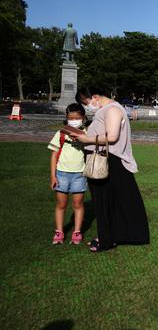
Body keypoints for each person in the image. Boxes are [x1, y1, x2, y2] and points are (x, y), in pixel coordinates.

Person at [69, 86, 150, 252]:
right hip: (107, 159)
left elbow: (112, 137)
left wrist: (86, 138)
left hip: (109, 160)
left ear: (96, 97)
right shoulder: (109, 109)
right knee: (112, 201)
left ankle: (107, 239)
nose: (88, 106)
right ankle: (112, 236)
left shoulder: (112, 109)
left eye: (87, 102)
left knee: (104, 201)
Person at [48, 103, 88, 245]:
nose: (74, 120)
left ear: (83, 118)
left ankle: (77, 231)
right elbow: (54, 155)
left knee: (78, 204)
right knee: (61, 204)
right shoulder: (61, 133)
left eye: (77, 117)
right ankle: (59, 231)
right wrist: (53, 176)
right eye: (71, 118)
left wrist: (83, 139)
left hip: (80, 174)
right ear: (66, 118)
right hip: (62, 174)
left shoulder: (87, 133)